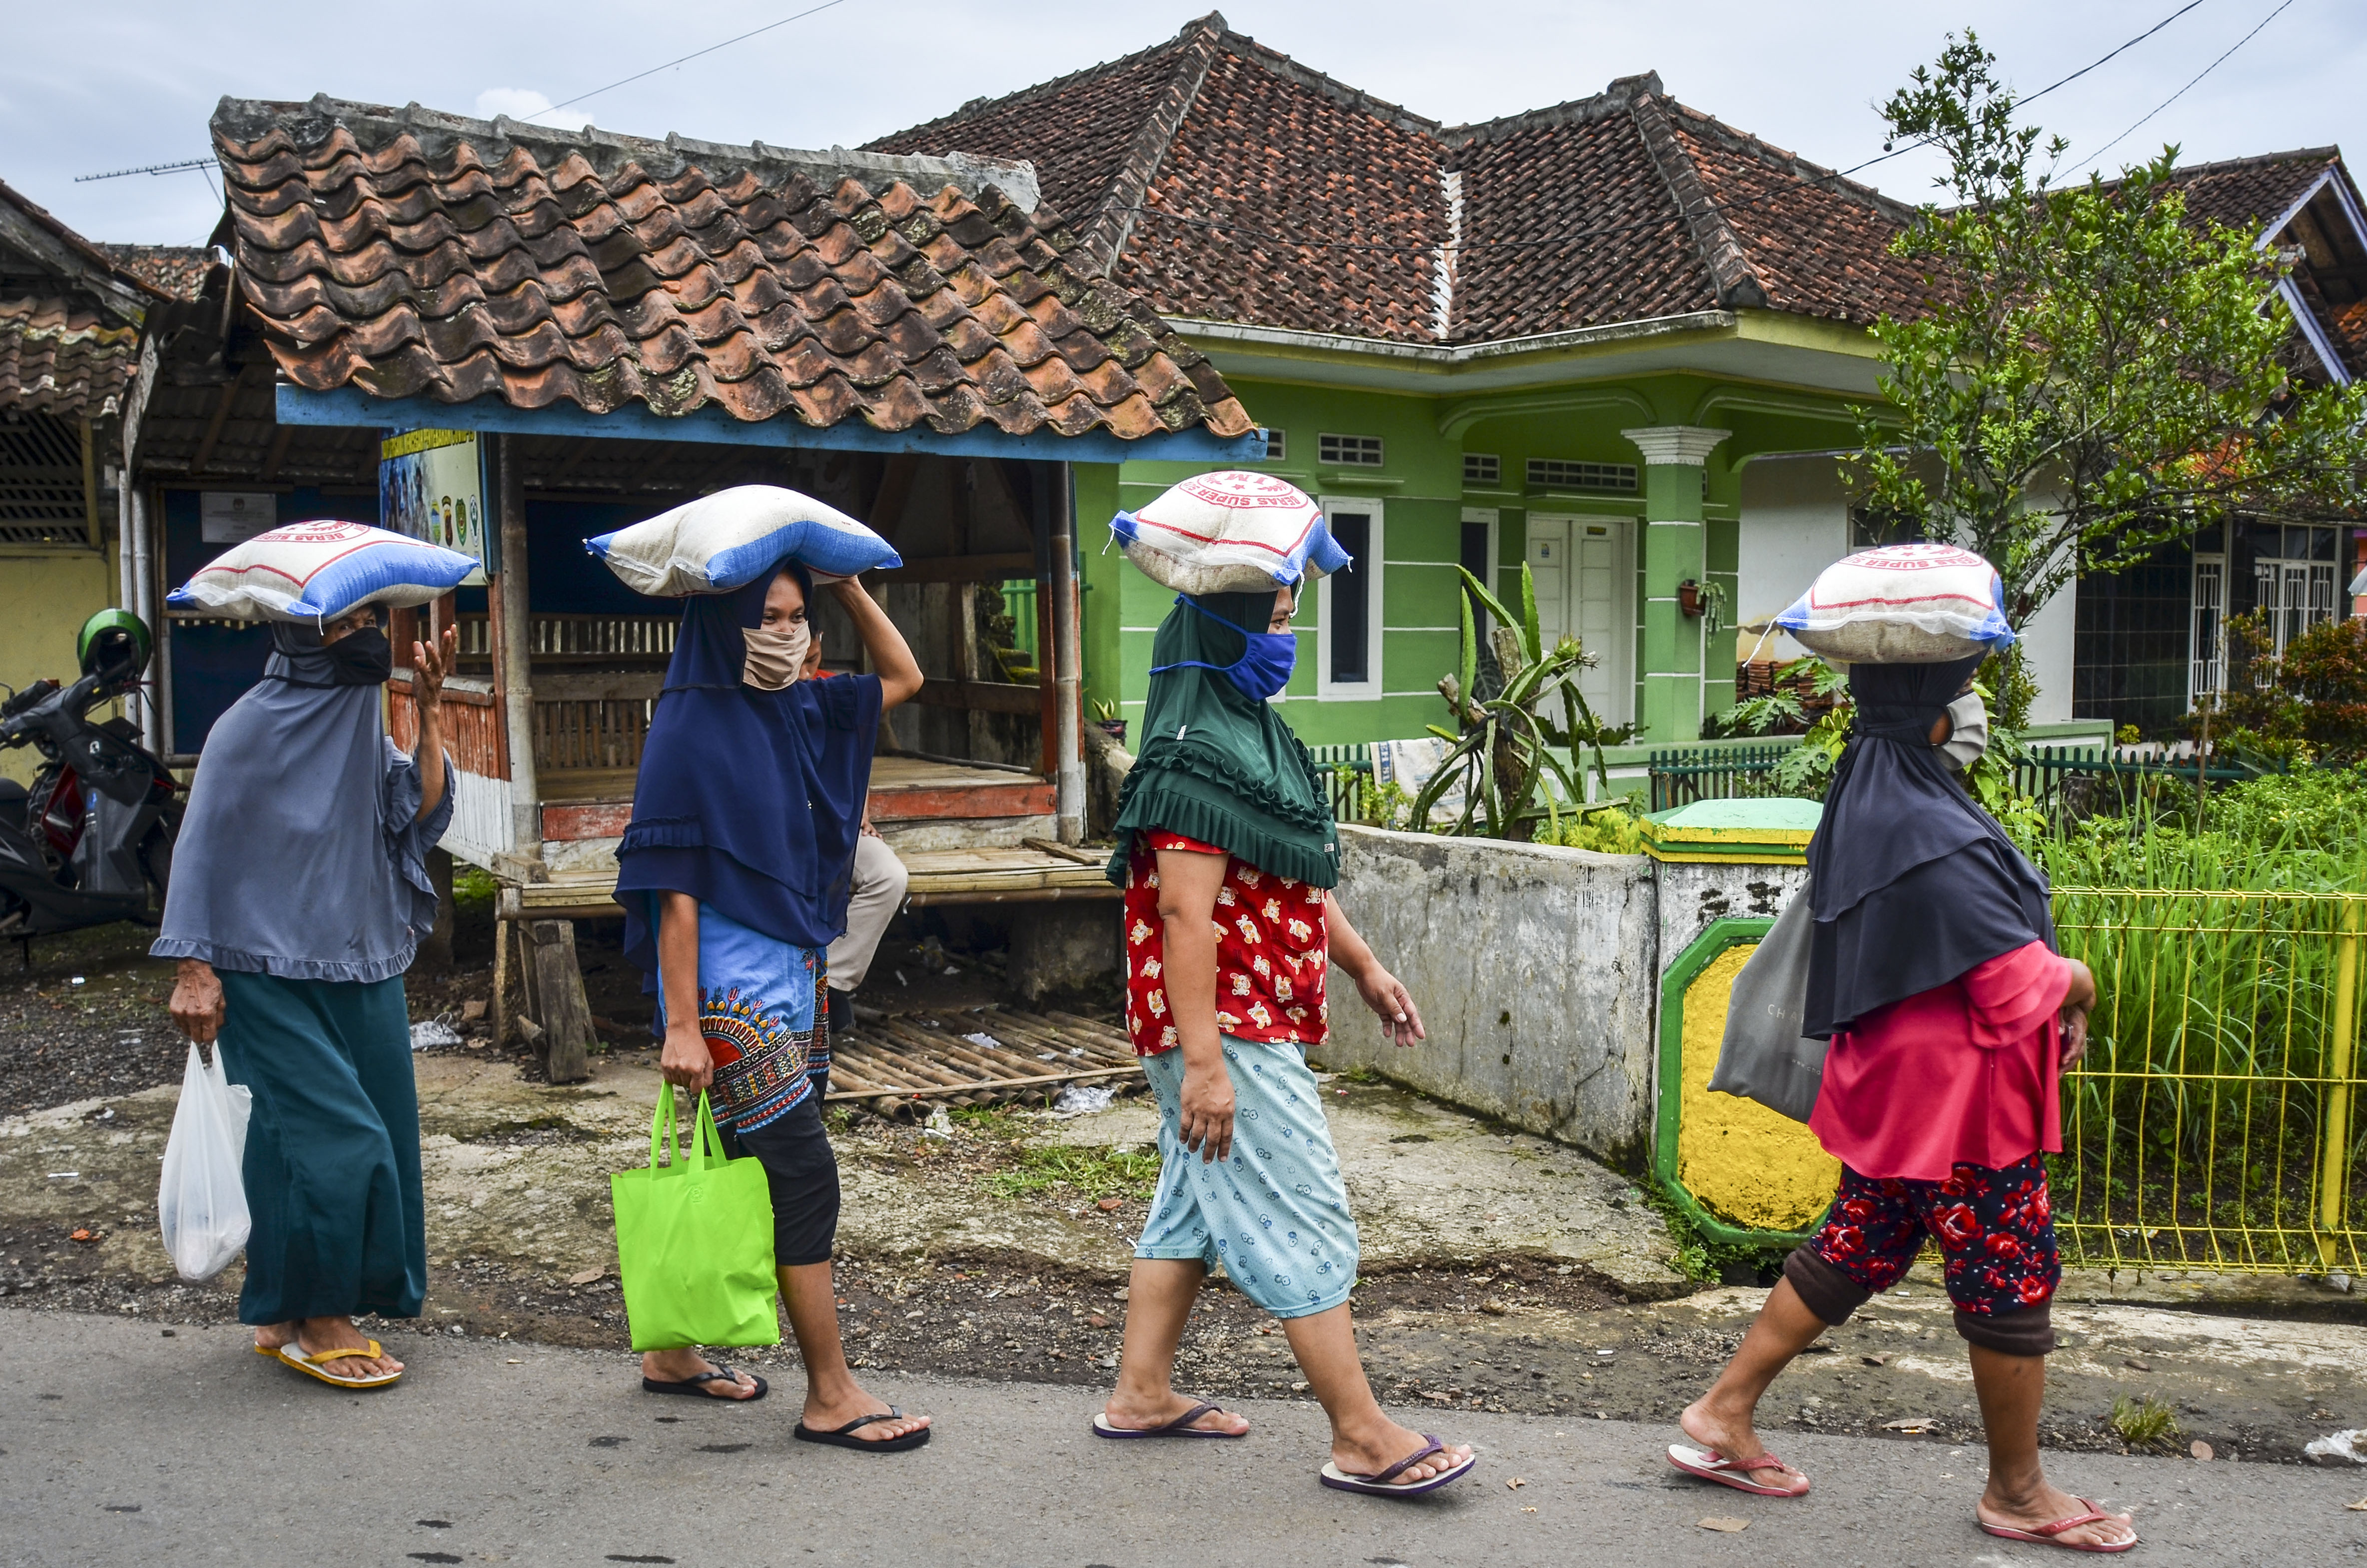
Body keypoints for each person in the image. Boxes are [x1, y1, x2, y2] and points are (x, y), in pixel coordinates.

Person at [1669, 657, 2136, 1554]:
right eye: (1963, 702)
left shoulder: (1868, 797)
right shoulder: (1929, 823)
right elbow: (2008, 985)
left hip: (1889, 1087)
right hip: (1964, 1102)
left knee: (1859, 1242)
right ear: (1931, 722)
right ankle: (2018, 1488)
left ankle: (1723, 1410)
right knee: (2008, 1277)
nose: (1973, 717)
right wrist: (2078, 980)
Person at [1091, 581, 1475, 1498]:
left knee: (1191, 1201)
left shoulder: (1252, 735)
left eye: (1286, 619)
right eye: (1270, 622)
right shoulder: (1192, 759)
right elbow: (1185, 916)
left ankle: (1141, 1392)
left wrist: (1365, 968)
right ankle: (1361, 1434)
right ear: (1219, 631)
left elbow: (1293, 880)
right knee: (1299, 1206)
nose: (1287, 637)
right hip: (1225, 1022)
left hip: (1254, 1010)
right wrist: (1205, 1066)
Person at [614, 563, 933, 1452]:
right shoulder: (688, 726)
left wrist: (852, 590)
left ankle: (672, 1353)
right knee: (800, 1176)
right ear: (725, 625)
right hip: (728, 995)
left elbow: (903, 677)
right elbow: (671, 885)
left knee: (751, 1168)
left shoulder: (798, 707)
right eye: (768, 617)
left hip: (795, 977)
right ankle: (830, 1392)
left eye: (797, 617)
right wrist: (681, 1024)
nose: (786, 633)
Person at [156, 603, 457, 1390]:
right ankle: (325, 1315)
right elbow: (200, 848)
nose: (360, 633)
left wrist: (427, 713)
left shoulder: (361, 713)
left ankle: (284, 1309)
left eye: (368, 617)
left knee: (346, 1138)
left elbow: (414, 814)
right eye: (338, 622)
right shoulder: (245, 729)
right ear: (295, 630)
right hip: (266, 969)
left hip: (361, 958)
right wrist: (193, 968)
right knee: (337, 1138)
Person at [798, 629, 909, 1050]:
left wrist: (859, 806)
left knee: (889, 876)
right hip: (778, 835)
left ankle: (832, 986)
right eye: (800, 662)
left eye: (814, 659)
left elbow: (854, 759)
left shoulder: (836, 692)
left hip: (835, 827)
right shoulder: (755, 697)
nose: (808, 673)